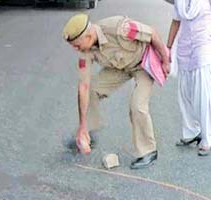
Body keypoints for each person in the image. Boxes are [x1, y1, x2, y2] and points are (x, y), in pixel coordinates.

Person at [62, 13, 170, 169]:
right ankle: (87, 133)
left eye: (77, 45)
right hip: (119, 68)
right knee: (92, 89)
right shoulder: (84, 51)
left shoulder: (121, 28)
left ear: (89, 35)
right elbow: (83, 86)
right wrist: (82, 125)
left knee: (137, 105)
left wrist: (165, 61)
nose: (76, 49)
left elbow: (151, 33)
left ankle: (148, 151)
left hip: (142, 64)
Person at [167, 0, 211, 156]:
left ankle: (207, 138)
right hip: (184, 48)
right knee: (185, 93)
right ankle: (191, 132)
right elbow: (175, 22)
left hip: (204, 47)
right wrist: (167, 48)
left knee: (204, 95)